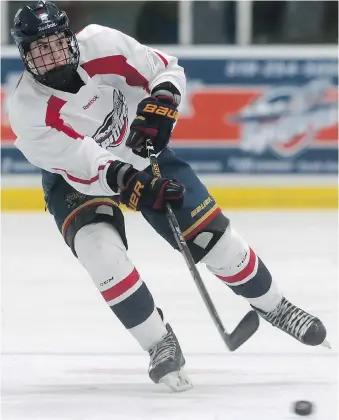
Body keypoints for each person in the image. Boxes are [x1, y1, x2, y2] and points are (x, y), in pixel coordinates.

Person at [9, 1, 328, 392]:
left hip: (138, 150)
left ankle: (275, 305)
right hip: (75, 178)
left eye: (56, 42)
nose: (52, 54)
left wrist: (162, 103)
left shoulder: (103, 44)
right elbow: (85, 163)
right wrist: (132, 182)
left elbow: (164, 68)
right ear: (25, 56)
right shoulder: (27, 110)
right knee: (99, 250)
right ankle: (159, 342)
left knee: (213, 239)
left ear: (70, 38)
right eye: (39, 49)